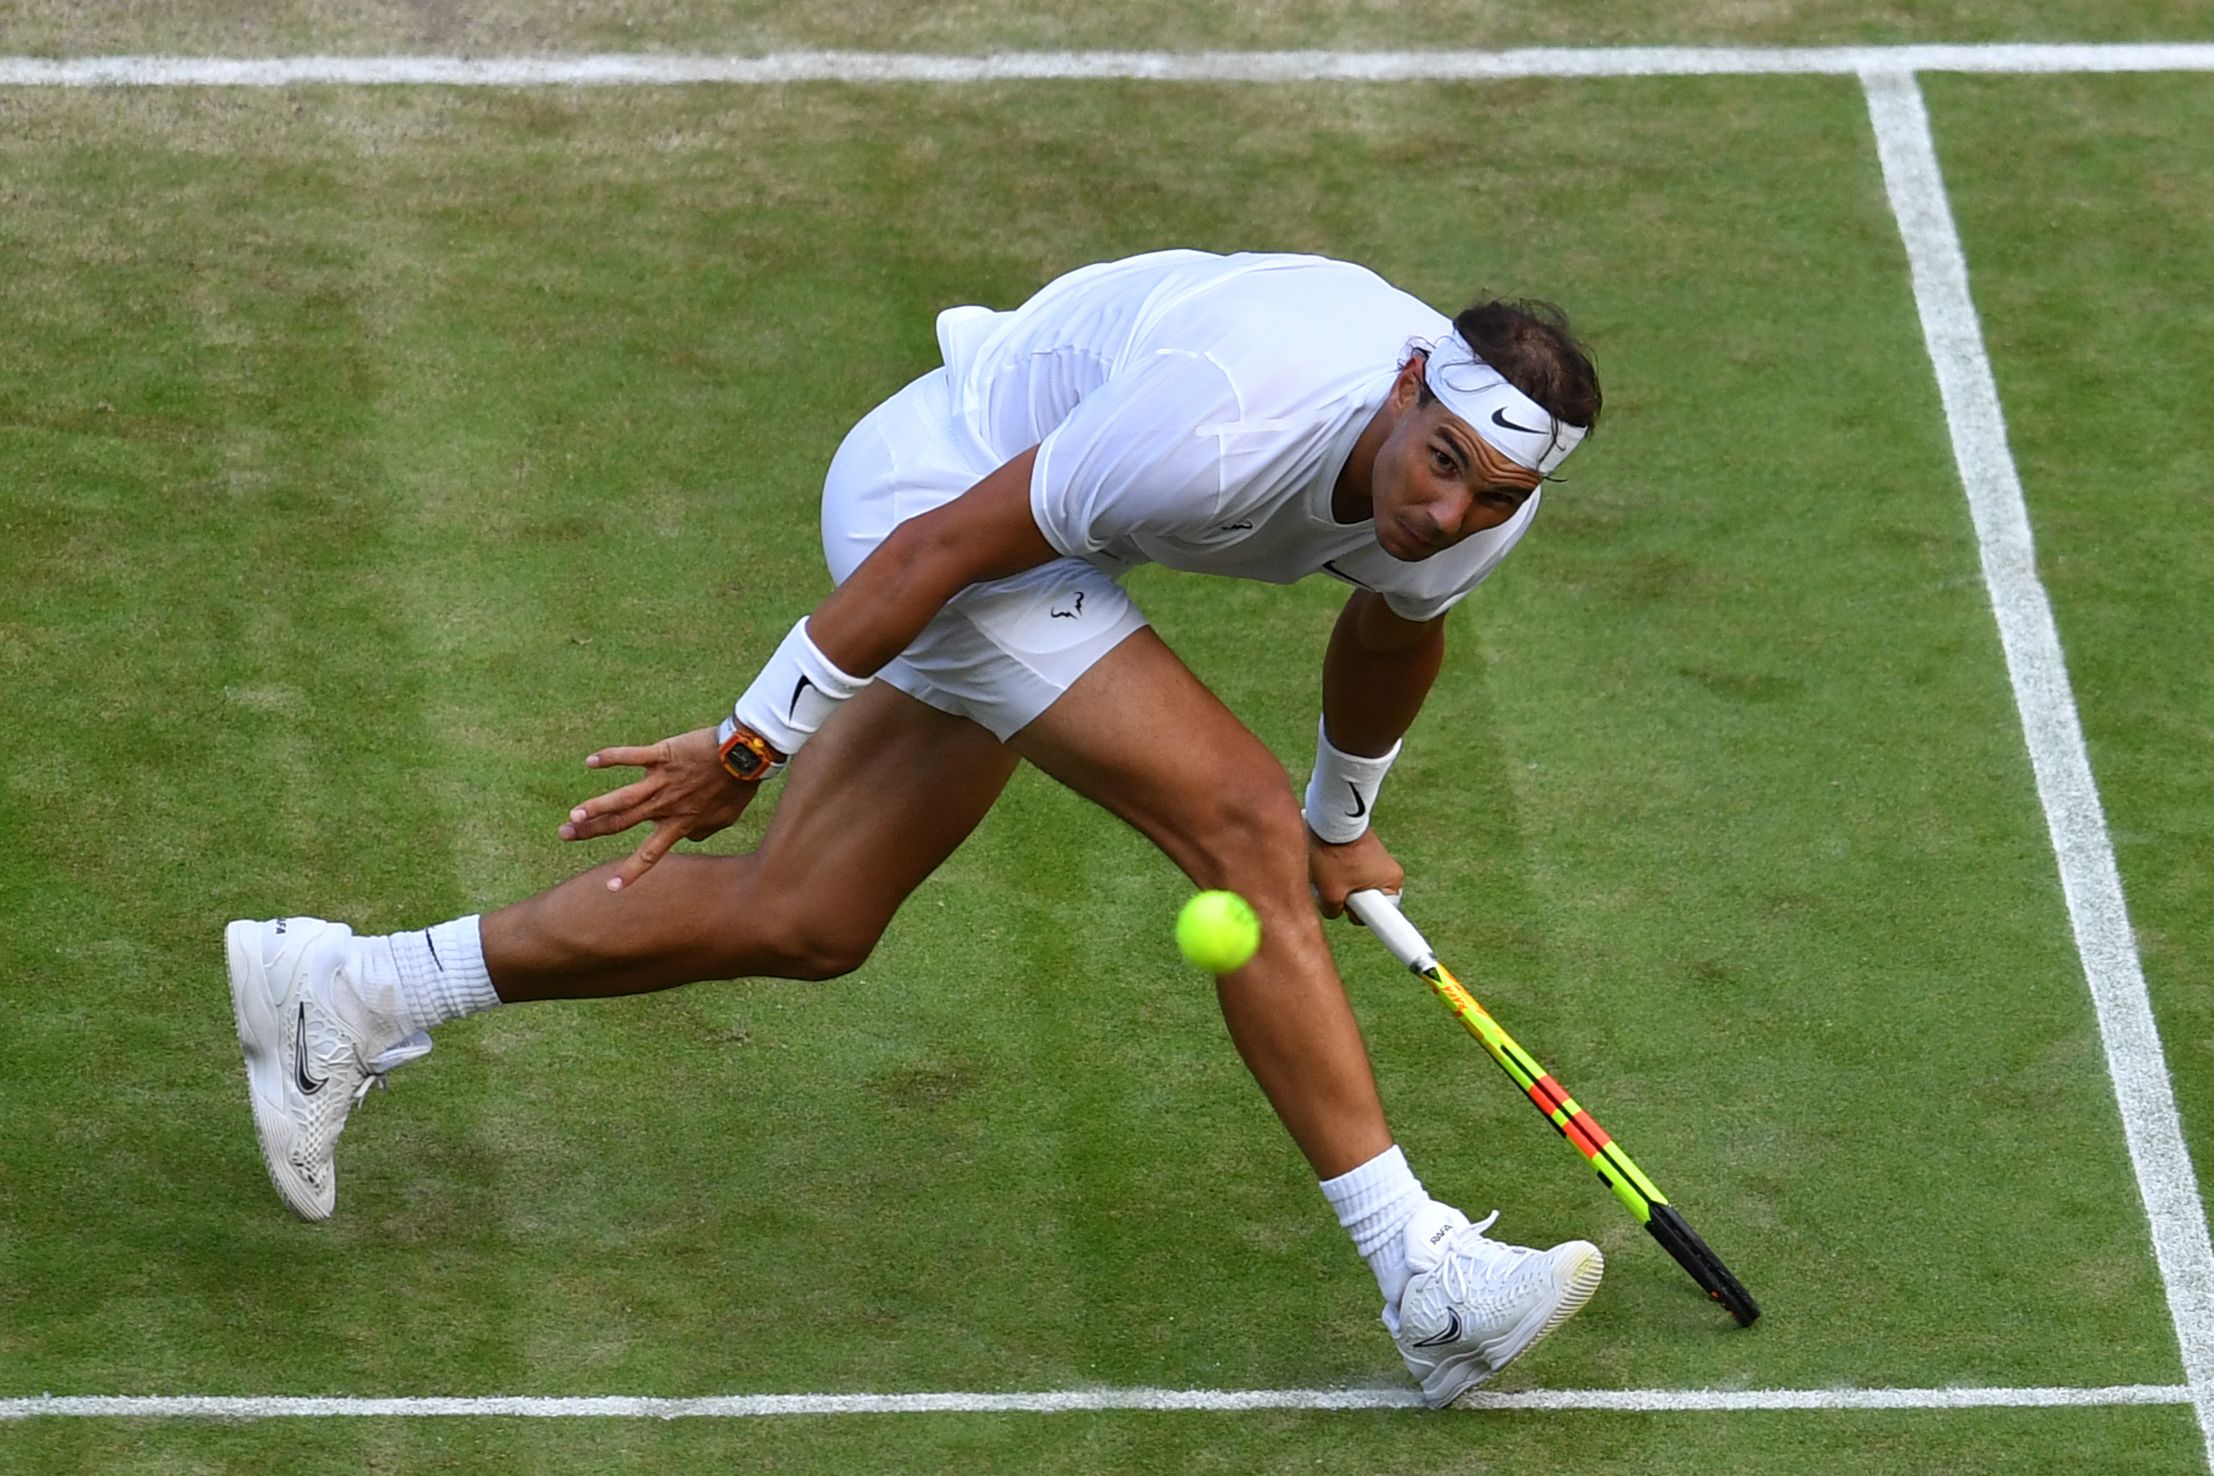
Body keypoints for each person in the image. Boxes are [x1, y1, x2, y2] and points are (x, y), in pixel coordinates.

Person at [225, 248, 1605, 1407]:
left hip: (1054, 533)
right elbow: (940, 553)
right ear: (1411, 384)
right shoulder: (1233, 412)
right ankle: (1422, 1278)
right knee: (1234, 826)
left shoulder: (1481, 491)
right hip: (936, 493)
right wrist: (747, 744)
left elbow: (1389, 624)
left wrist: (1344, 822)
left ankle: (349, 989)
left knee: (810, 917)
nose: (1445, 512)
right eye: (1439, 466)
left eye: (1492, 494)